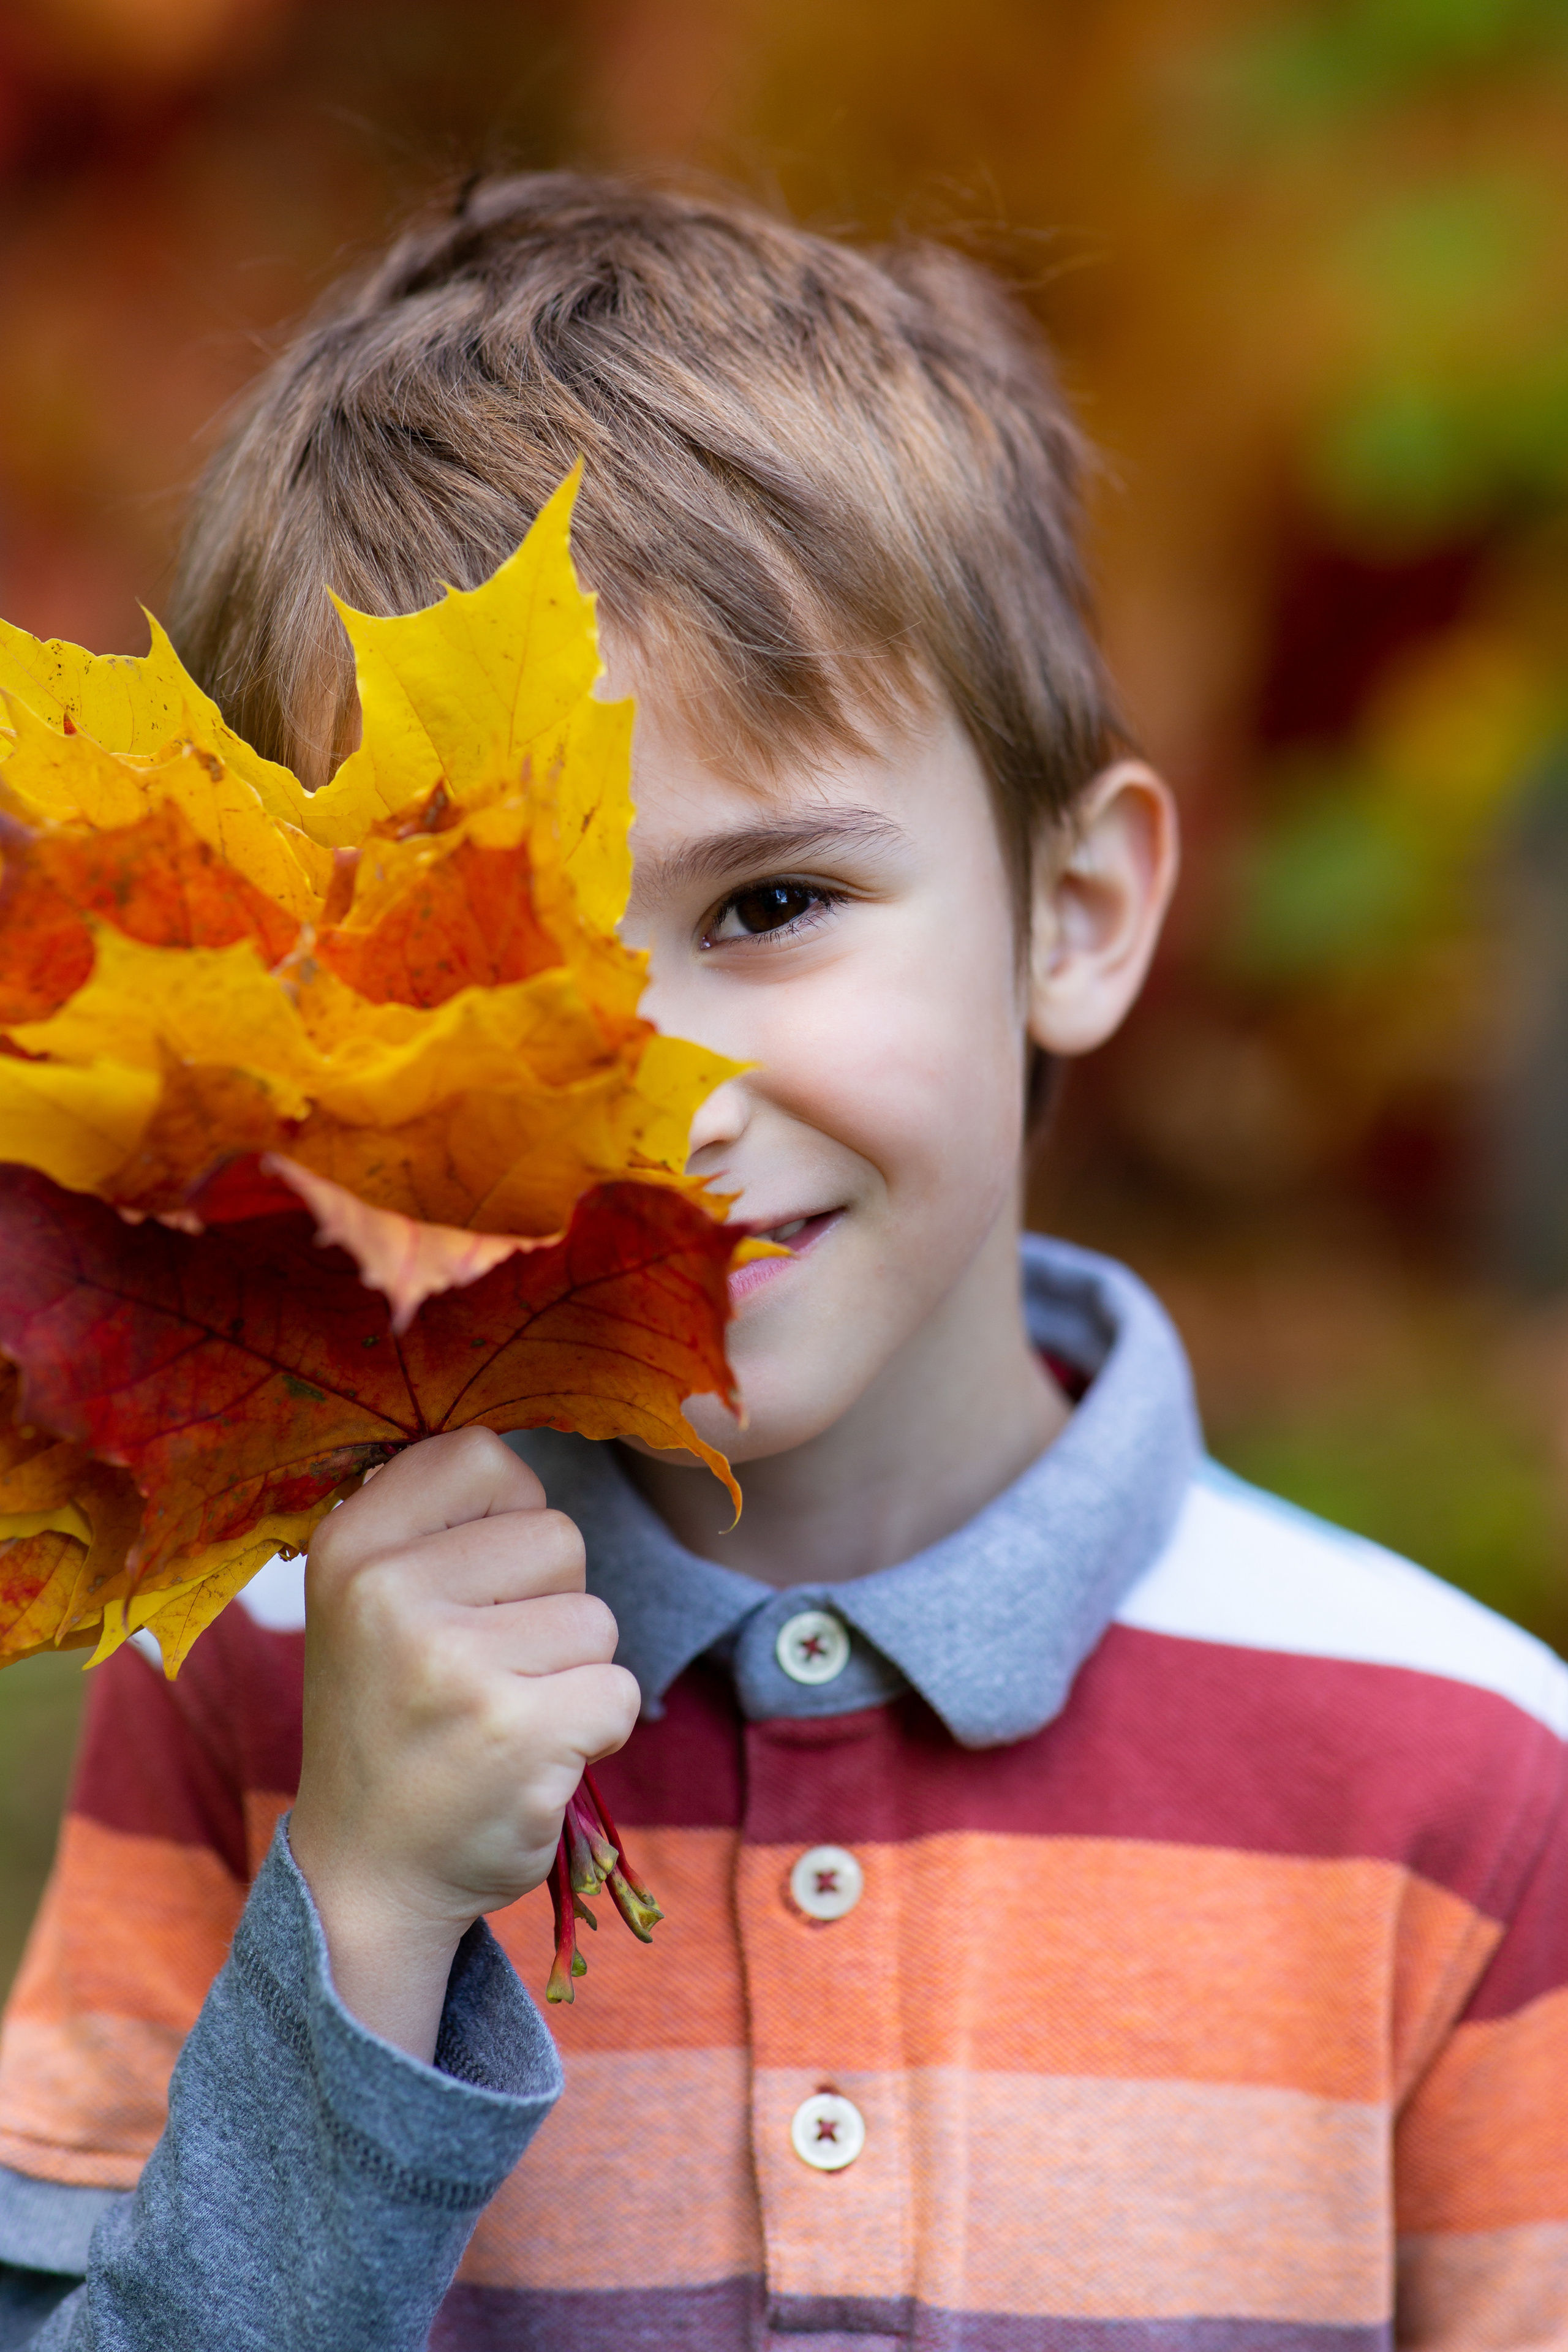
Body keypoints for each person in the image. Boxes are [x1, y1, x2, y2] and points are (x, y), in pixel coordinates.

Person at [1, 172, 1564, 2352]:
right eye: (495, 976)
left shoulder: (1468, 1773)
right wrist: (359, 1911)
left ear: (1077, 912)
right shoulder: (265, 1705)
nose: (657, 1097)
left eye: (769, 909)